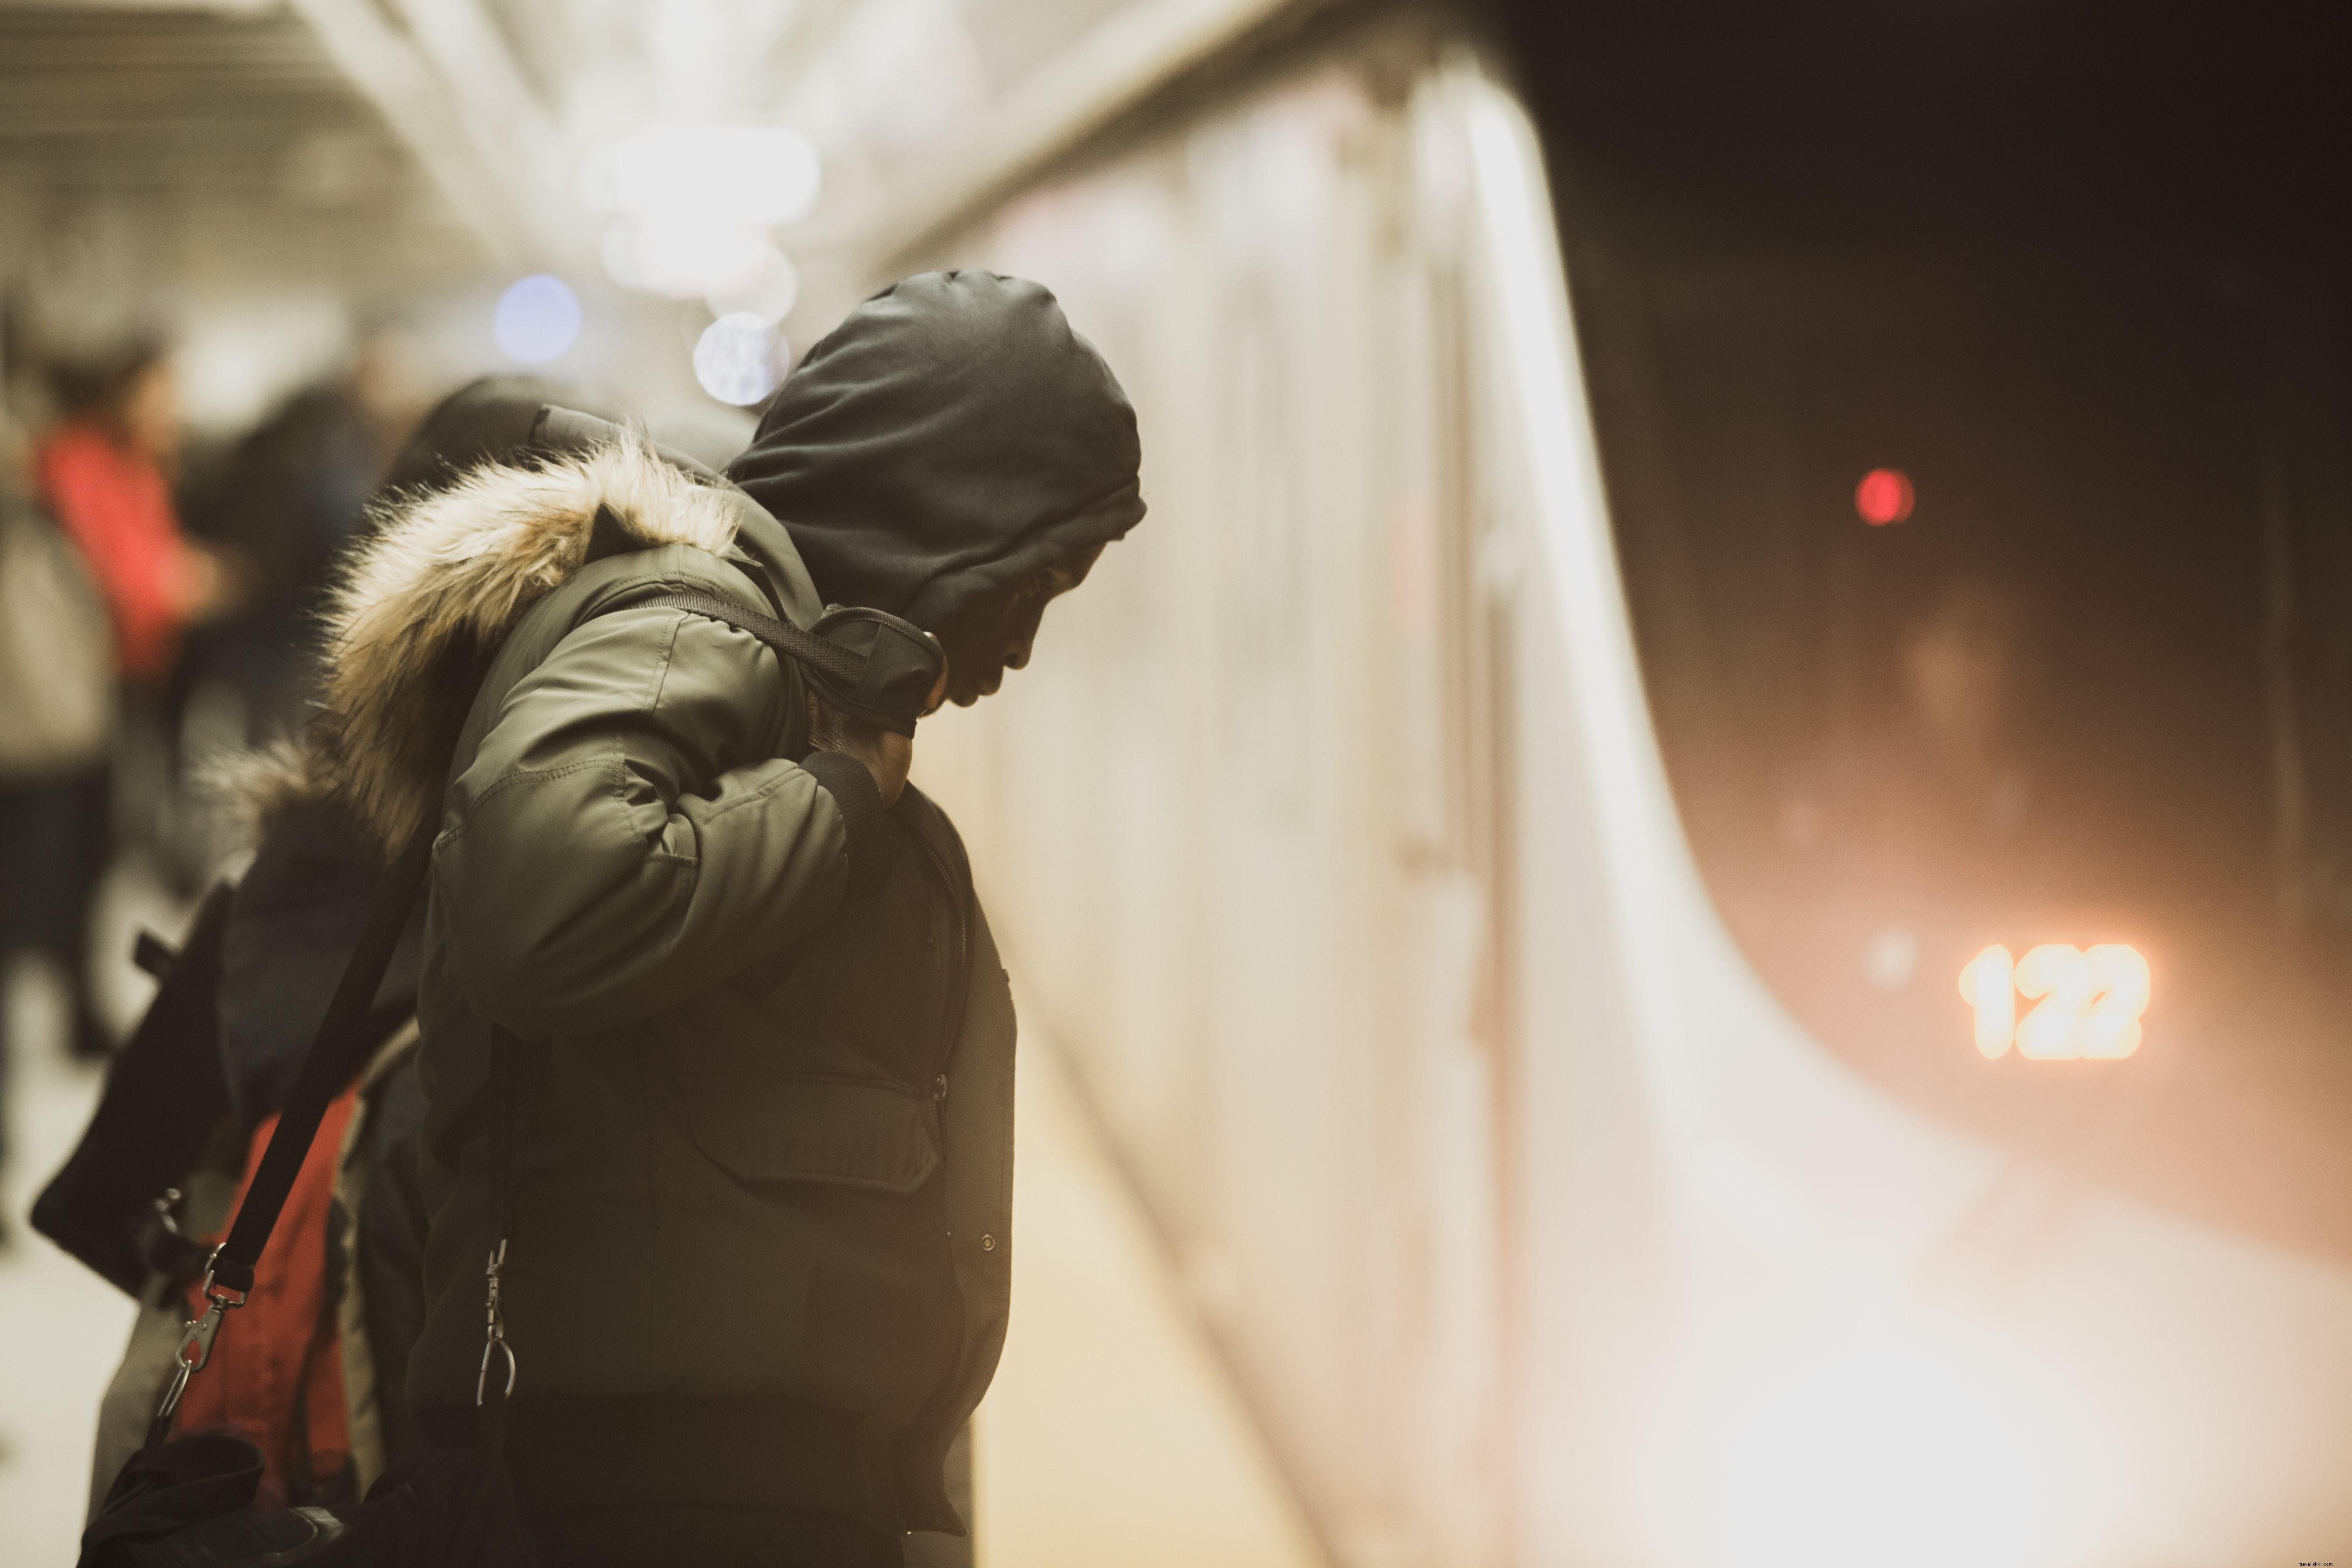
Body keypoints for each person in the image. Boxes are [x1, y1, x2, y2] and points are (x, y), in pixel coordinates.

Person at [276, 270, 1141, 1565]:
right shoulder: (696, 628)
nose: (1017, 647)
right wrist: (841, 802)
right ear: (940, 506)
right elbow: (542, 907)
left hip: (722, 1463)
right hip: (668, 1486)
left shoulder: (771, 657)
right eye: (1030, 577)